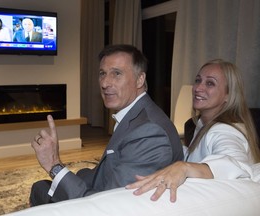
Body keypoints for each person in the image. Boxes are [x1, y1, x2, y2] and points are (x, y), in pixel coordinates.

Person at [29, 44, 184, 206]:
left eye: (117, 74)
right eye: (102, 73)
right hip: (105, 193)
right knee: (61, 180)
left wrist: (54, 166)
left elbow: (108, 205)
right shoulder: (137, 114)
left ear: (140, 80)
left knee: (40, 188)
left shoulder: (149, 132)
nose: (105, 83)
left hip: (105, 207)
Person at [126, 59, 260, 202]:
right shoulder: (204, 124)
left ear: (228, 95)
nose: (198, 88)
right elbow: (197, 154)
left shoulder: (223, 130)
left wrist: (184, 167)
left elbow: (235, 164)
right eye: (198, 80)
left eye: (210, 83)